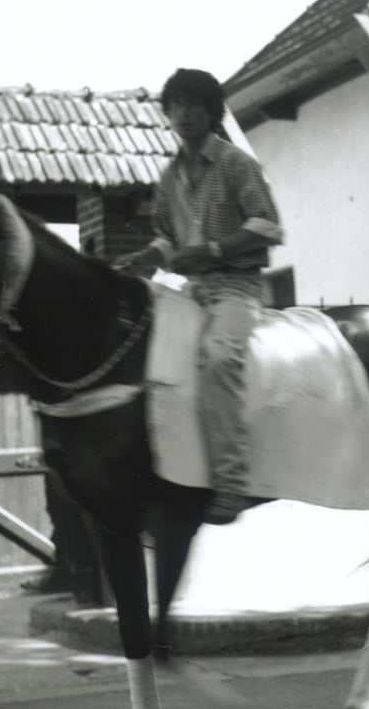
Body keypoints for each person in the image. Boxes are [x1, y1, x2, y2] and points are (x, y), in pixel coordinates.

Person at [114, 68, 284, 525]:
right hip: (191, 292)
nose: (184, 113)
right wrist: (141, 258)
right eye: (176, 105)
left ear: (212, 112)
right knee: (143, 358)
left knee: (217, 358)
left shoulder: (236, 164)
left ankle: (231, 483)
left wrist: (212, 250)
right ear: (167, 113)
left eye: (194, 104)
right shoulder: (169, 178)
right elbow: (168, 242)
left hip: (237, 289)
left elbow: (269, 226)